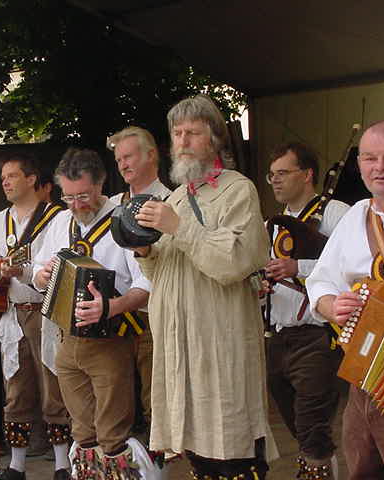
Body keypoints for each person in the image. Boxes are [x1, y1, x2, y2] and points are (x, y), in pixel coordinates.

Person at [132, 95, 271, 479]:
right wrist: (145, 250)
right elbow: (162, 274)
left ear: (214, 139)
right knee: (198, 448)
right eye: (177, 134)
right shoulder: (176, 197)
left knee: (233, 445)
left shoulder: (238, 190)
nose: (183, 141)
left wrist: (178, 226)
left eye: (193, 132)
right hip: (180, 346)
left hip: (219, 341)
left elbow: (233, 263)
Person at [33, 148, 156, 478]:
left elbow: (149, 281)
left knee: (112, 435)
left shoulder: (124, 218)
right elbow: (36, 269)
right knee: (82, 434)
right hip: (65, 340)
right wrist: (41, 275)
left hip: (111, 339)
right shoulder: (61, 222)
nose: (76, 205)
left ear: (101, 183)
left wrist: (111, 307)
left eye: (83, 195)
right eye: (68, 196)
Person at [308, 120, 384, 478]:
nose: (380, 167)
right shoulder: (356, 215)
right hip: (363, 377)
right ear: (359, 165)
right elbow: (320, 282)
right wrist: (331, 307)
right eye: (370, 158)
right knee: (361, 470)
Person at [264, 142, 349, 479]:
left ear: (308, 174)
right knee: (299, 423)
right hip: (279, 335)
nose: (275, 181)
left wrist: (298, 266)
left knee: (311, 419)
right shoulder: (273, 224)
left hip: (318, 334)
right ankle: (325, 463)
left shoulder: (337, 213)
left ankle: (318, 468)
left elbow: (347, 269)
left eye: (283, 173)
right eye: (271, 175)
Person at [0, 153, 68, 480]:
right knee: (15, 387)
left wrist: (27, 270)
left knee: (54, 386)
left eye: (12, 176)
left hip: (48, 312)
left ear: (32, 179)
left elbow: (60, 264)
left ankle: (62, 462)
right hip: (14, 313)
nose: (5, 182)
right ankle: (17, 464)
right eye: (3, 177)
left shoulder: (59, 218)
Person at [107, 126, 172, 438]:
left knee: (155, 403)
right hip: (113, 321)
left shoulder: (175, 203)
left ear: (151, 155)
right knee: (118, 408)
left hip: (153, 319)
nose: (122, 164)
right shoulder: (110, 205)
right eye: (118, 159)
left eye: (128, 156)